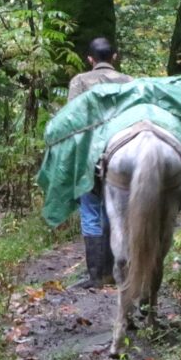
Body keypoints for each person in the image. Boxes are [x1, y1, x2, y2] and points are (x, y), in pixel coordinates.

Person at [66, 38, 131, 285]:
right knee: (120, 211)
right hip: (127, 152)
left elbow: (72, 119)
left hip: (92, 156)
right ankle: (118, 270)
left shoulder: (80, 81)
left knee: (91, 210)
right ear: (114, 57)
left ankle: (95, 275)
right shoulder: (129, 82)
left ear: (90, 60)